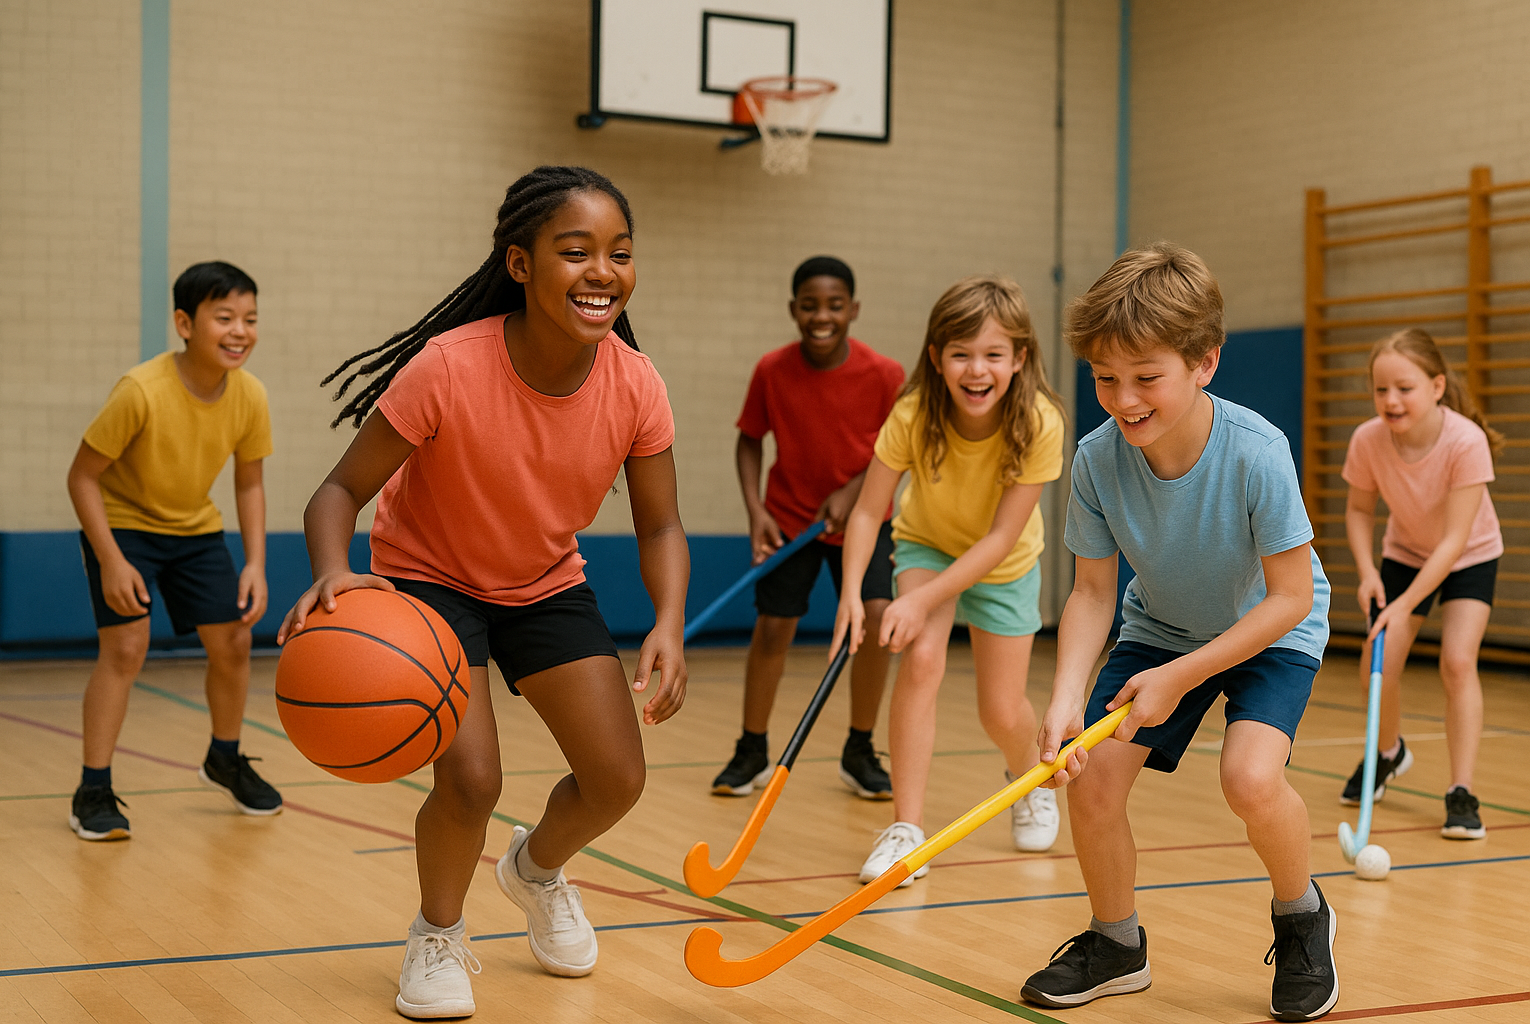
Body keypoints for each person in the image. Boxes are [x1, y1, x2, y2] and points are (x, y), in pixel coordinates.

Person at [277, 166, 688, 1020]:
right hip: (429, 580)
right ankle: (436, 933)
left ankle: (534, 870)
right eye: (575, 252)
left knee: (616, 779)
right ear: (521, 263)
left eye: (619, 252)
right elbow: (336, 493)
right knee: (471, 780)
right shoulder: (449, 368)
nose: (602, 271)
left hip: (544, 583)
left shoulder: (637, 384)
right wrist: (330, 571)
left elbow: (659, 526)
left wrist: (671, 623)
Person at [1021, 244, 1336, 1023]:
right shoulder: (1096, 461)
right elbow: (1092, 593)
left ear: (1204, 363)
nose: (1122, 399)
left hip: (1270, 630)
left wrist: (1184, 676)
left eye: (1145, 377)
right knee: (1090, 778)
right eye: (1104, 378)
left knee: (1250, 779)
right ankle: (1116, 944)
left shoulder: (1257, 452)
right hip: (1160, 626)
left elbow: (1290, 597)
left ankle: (1302, 917)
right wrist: (1064, 699)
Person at [831, 275, 1066, 886]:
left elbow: (998, 541)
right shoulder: (914, 412)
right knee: (923, 659)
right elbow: (865, 511)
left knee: (1001, 710)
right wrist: (853, 594)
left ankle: (1028, 780)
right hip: (927, 546)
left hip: (1004, 562)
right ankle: (907, 828)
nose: (976, 370)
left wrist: (923, 600)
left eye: (993, 354)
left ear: (1019, 359)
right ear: (936, 358)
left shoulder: (1040, 422)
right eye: (960, 354)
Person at [66, 261, 280, 842]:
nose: (240, 331)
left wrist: (256, 562)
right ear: (185, 323)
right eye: (225, 317)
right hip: (124, 526)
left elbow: (249, 482)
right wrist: (110, 557)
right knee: (127, 647)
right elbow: (82, 477)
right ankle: (93, 786)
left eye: (251, 318)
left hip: (194, 531)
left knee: (234, 639)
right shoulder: (141, 391)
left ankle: (225, 757)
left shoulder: (250, 395)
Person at [713, 256, 905, 800]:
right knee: (773, 628)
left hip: (865, 521)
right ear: (794, 310)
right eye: (810, 305)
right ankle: (751, 749)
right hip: (792, 520)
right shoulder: (772, 370)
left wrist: (854, 492)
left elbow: (901, 448)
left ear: (854, 310)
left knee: (875, 618)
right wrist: (756, 509)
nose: (822, 316)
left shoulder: (885, 374)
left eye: (835, 305)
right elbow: (749, 438)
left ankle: (860, 748)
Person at [1340, 327, 1504, 840]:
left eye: (1404, 388)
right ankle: (1389, 754)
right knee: (1378, 662)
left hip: (1469, 555)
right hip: (1406, 554)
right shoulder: (1368, 439)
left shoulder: (1465, 441)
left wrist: (1406, 603)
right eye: (1380, 389)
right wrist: (1368, 572)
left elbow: (1456, 541)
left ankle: (1461, 792)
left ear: (1436, 386)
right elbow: (1359, 509)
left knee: (1457, 662)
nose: (1390, 400)